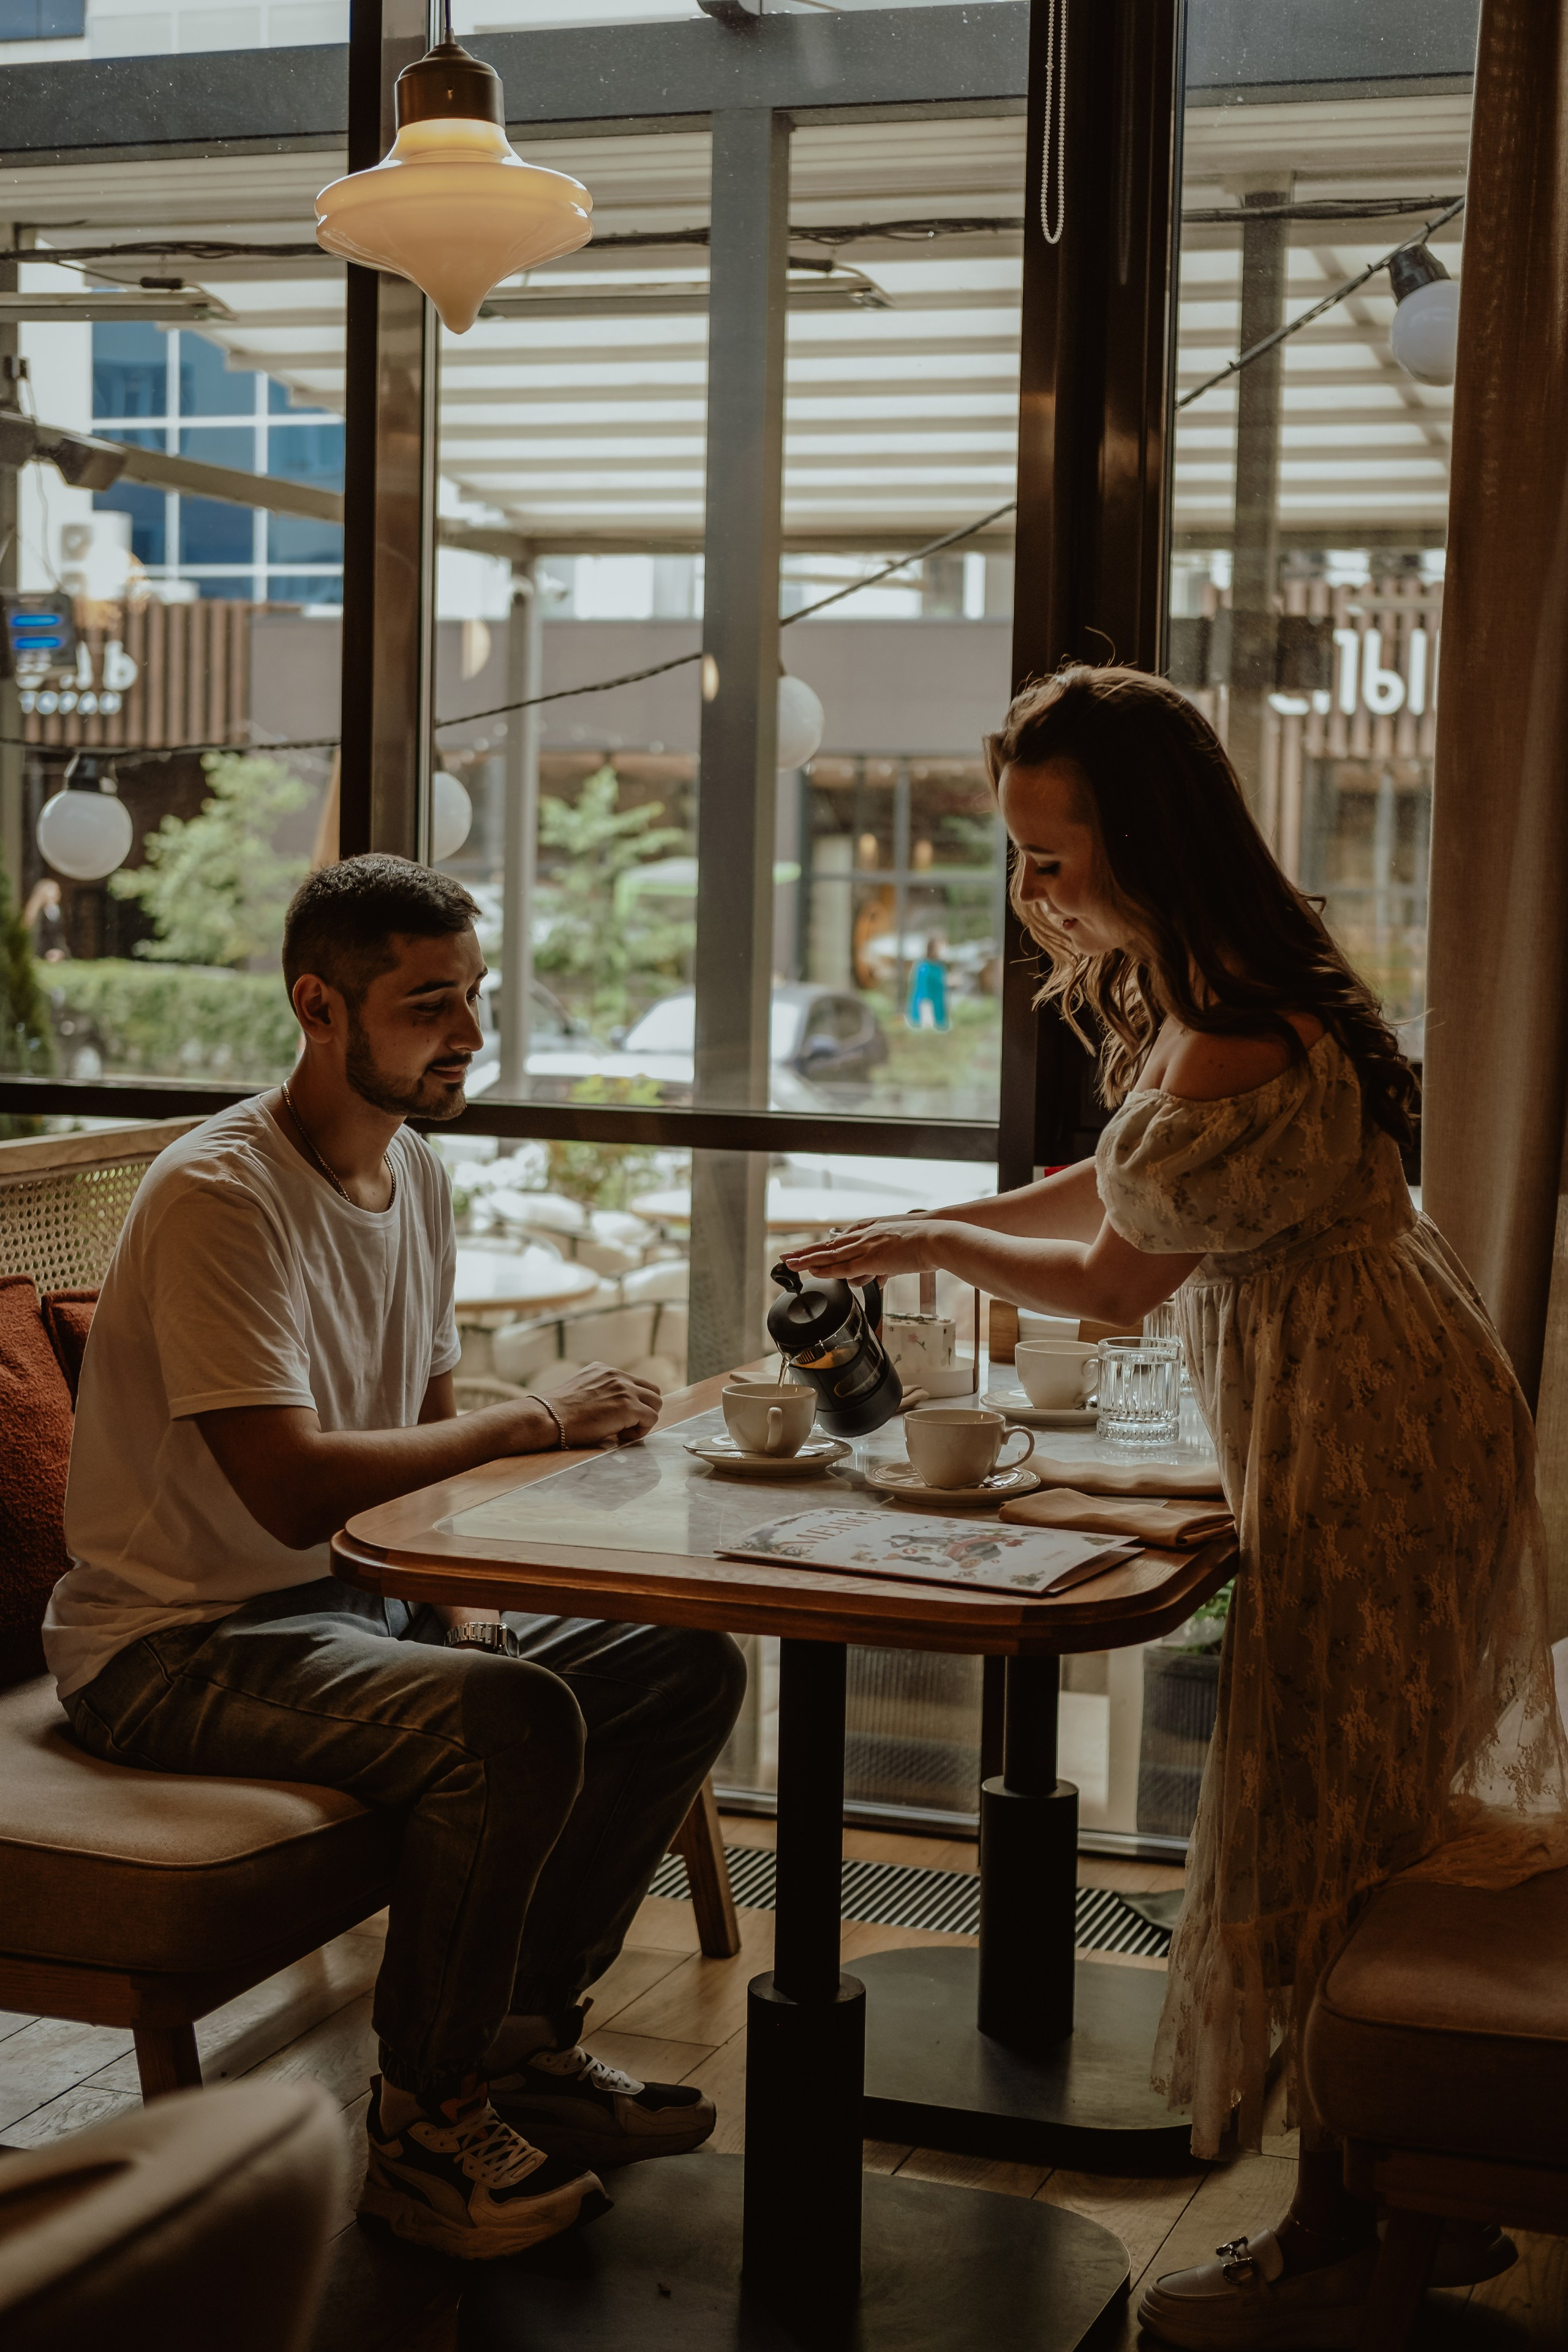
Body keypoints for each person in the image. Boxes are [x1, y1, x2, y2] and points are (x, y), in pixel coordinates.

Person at [783, 667, 1568, 2349]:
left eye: (1056, 858)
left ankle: (1345, 2229)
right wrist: (946, 1212)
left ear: (1142, 838)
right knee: (1343, 1794)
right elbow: (1131, 1166)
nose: (1036, 893)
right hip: (1369, 1386)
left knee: (1328, 1807)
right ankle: (1409, 2194)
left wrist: (929, 1244)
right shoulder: (1215, 981)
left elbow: (1121, 1275)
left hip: (1362, 1421)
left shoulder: (1226, 1019)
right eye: (1022, 858)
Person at [45, 854, 747, 2264]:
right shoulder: (221, 1198)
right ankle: (424, 2135)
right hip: (172, 1644)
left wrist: (474, 1608)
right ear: (319, 1005)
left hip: (338, 1613)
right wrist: (538, 1417)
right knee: (504, 1722)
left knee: (673, 1661)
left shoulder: (413, 1175)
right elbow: (296, 1488)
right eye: (432, 1005)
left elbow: (422, 1451)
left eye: (474, 997)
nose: (472, 1035)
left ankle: (520, 2047)